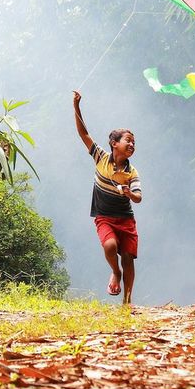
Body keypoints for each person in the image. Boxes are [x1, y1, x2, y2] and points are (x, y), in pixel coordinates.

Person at [73, 91, 142, 304]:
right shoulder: (100, 157)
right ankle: (115, 272)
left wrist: (129, 192)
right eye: (128, 141)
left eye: (133, 142)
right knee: (110, 247)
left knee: (129, 257)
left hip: (126, 220)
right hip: (104, 217)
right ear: (114, 143)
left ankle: (127, 301)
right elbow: (84, 134)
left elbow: (138, 197)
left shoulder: (132, 172)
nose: (131, 145)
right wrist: (76, 107)